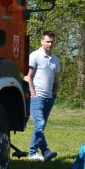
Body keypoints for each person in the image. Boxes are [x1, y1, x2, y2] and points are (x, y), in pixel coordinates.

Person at [24, 31, 61, 161]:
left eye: (52, 42)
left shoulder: (55, 59)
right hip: (37, 97)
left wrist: (54, 94)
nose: (50, 44)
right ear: (42, 41)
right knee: (39, 125)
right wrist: (33, 94)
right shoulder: (35, 56)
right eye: (47, 41)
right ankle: (45, 151)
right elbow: (28, 77)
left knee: (40, 126)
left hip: (49, 97)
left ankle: (32, 152)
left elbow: (56, 79)